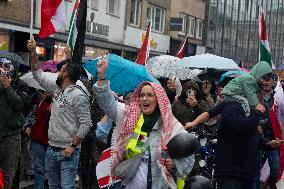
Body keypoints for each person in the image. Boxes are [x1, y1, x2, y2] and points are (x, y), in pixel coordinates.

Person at [93, 54, 195, 189]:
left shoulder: (170, 126)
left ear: (158, 100)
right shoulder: (130, 116)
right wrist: (102, 77)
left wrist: (175, 163)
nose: (145, 99)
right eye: (142, 95)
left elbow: (188, 155)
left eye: (150, 95)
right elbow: (108, 104)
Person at [27, 37, 93, 189]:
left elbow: (86, 123)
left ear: (66, 75)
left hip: (68, 152)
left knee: (67, 187)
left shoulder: (78, 95)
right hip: (51, 148)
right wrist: (33, 52)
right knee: (53, 186)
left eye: (61, 70)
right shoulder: (57, 89)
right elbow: (38, 74)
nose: (58, 72)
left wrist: (72, 145)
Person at [0, 54, 32, 189]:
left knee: (8, 173)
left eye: (6, 66)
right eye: (0, 66)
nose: (2, 69)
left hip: (12, 136)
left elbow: (19, 105)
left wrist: (8, 87)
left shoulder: (22, 85)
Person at [22, 91, 52, 189]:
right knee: (38, 168)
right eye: (44, 91)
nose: (46, 93)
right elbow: (31, 117)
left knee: (51, 169)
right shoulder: (38, 102)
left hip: (53, 140)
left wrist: (53, 110)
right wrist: (27, 126)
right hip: (37, 138)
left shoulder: (59, 103)